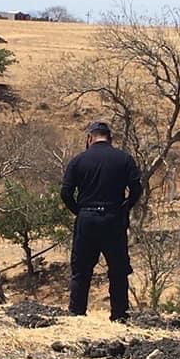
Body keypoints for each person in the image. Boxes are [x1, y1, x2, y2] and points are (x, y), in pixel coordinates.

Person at [60, 121, 142, 321]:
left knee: (81, 270)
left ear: (90, 138)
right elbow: (137, 189)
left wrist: (79, 211)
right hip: (113, 218)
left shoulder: (79, 160)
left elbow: (65, 192)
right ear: (110, 138)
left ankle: (77, 313)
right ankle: (119, 315)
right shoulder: (124, 159)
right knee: (118, 270)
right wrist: (125, 207)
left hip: (87, 218)